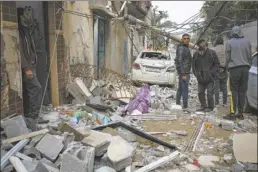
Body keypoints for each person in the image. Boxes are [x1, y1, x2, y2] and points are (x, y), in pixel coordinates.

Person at [18, 7, 46, 130]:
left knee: (31, 90)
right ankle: (33, 118)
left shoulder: (29, 30)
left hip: (32, 64)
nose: (30, 16)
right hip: (27, 66)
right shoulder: (20, 31)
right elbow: (19, 51)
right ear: (21, 17)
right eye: (27, 14)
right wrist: (26, 68)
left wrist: (36, 27)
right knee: (36, 88)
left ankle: (33, 117)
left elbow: (38, 42)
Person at [223, 26, 252, 120]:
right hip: (245, 69)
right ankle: (240, 113)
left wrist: (226, 67)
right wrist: (248, 66)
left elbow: (227, 57)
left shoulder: (229, 42)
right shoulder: (247, 41)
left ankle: (233, 113)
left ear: (232, 33)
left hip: (235, 69)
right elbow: (250, 56)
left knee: (233, 91)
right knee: (242, 91)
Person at [192, 39, 220, 112]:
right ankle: (203, 106)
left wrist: (211, 73)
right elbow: (193, 66)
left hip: (210, 78)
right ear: (198, 45)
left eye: (204, 42)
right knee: (200, 92)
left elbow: (217, 65)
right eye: (201, 43)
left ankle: (210, 107)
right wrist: (197, 75)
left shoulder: (211, 53)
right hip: (200, 78)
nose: (203, 44)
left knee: (210, 93)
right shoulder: (196, 54)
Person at [174, 33, 192, 111]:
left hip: (184, 71)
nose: (186, 40)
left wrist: (179, 71)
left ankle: (178, 104)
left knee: (181, 89)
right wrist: (183, 73)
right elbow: (180, 61)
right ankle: (185, 106)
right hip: (184, 72)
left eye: (188, 38)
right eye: (184, 38)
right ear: (182, 40)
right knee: (184, 89)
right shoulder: (182, 48)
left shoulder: (185, 48)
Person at [213, 36, 228, 106]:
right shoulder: (226, 48)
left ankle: (217, 102)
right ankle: (224, 102)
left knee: (216, 87)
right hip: (224, 70)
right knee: (224, 87)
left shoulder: (214, 49)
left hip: (216, 70)